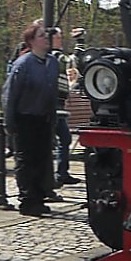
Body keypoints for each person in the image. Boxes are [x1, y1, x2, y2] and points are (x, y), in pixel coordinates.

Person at [4, 22, 61, 216]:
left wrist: (53, 118)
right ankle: (27, 200)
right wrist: (9, 122)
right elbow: (10, 94)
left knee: (42, 159)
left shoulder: (52, 63)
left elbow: (54, 93)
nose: (46, 38)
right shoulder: (23, 65)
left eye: (46, 35)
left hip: (44, 118)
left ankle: (39, 197)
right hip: (25, 118)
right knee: (26, 161)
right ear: (31, 41)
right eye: (41, 36)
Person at [51, 27, 81, 186]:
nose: (60, 40)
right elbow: (72, 61)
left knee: (64, 138)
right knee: (63, 138)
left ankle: (62, 173)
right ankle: (59, 175)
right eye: (57, 37)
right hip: (54, 105)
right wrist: (80, 42)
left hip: (58, 105)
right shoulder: (54, 56)